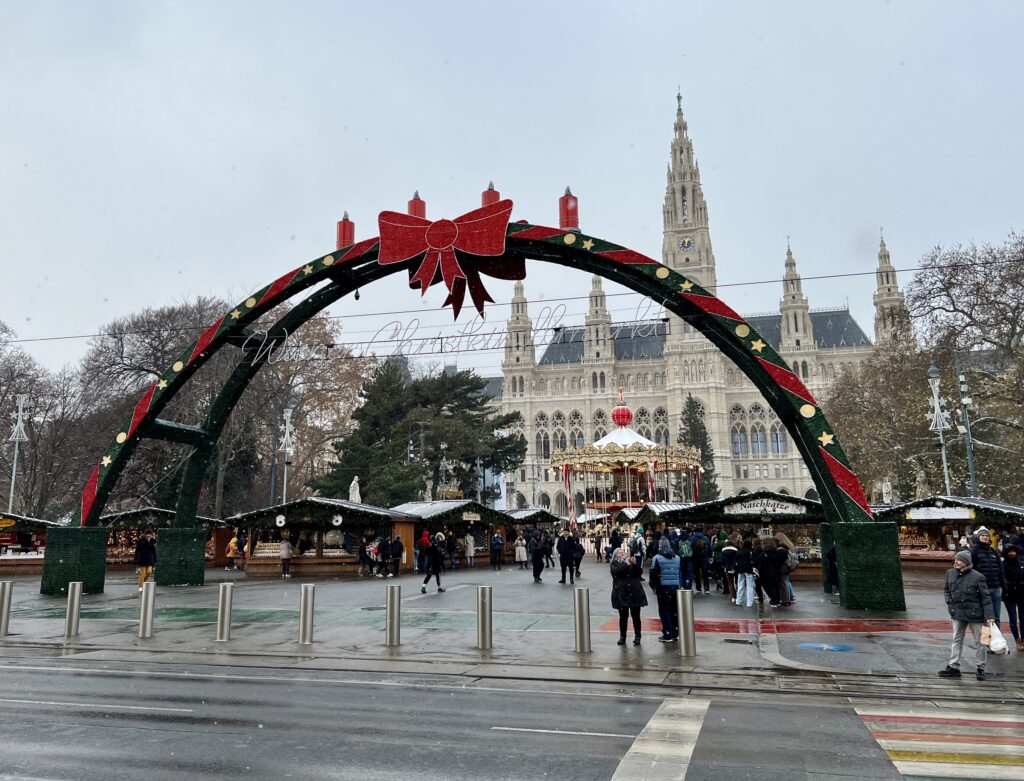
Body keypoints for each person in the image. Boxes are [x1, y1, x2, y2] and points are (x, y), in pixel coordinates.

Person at [939, 549, 996, 680]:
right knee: (956, 639)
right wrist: (949, 602)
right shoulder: (950, 573)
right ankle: (953, 666)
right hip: (957, 612)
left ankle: (980, 668)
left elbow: (986, 598)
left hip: (976, 614)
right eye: (955, 559)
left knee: (981, 642)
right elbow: (946, 589)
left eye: (959, 560)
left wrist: (990, 616)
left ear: (966, 562)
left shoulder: (978, 577)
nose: (956, 562)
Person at [610, 548, 647, 646]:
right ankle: (623, 636)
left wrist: (635, 564)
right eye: (619, 552)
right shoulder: (614, 563)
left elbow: (639, 573)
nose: (622, 553)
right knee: (623, 616)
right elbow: (617, 572)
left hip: (634, 591)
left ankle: (638, 636)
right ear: (615, 555)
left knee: (636, 616)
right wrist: (626, 563)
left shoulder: (630, 562)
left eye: (623, 552)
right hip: (622, 592)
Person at [650, 537, 682, 642]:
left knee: (664, 611)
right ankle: (675, 632)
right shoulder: (677, 557)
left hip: (663, 587)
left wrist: (654, 587)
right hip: (675, 586)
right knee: (674, 610)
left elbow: (653, 574)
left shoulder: (657, 558)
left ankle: (668, 633)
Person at [971, 527, 1004, 625]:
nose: (985, 537)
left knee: (996, 616)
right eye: (983, 535)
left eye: (987, 535)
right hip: (982, 589)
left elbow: (1000, 569)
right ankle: (986, 639)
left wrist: (1003, 585)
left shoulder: (994, 551)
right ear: (978, 537)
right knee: (985, 616)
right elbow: (971, 570)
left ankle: (996, 638)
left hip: (996, 588)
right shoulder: (974, 551)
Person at [1002, 544, 1024, 651]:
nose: (1012, 553)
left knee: (1023, 618)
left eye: (1014, 551)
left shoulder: (1020, 562)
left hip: (1021, 594)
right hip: (1009, 595)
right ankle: (1017, 640)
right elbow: (1002, 579)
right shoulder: (1003, 564)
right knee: (1013, 619)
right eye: (1010, 552)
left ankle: (1023, 639)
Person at [134, 528, 157, 592]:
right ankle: (141, 586)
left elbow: (153, 551)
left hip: (149, 559)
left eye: (149, 534)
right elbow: (138, 550)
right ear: (145, 534)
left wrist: (154, 559)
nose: (148, 535)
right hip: (142, 559)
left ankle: (142, 582)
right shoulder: (141, 541)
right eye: (147, 534)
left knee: (149, 572)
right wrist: (137, 559)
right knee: (142, 573)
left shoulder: (152, 541)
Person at [734, 538, 755, 607]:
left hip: (740, 570)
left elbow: (736, 560)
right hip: (749, 569)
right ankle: (749, 602)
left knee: (740, 585)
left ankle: (738, 601)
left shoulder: (739, 551)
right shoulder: (750, 552)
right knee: (750, 586)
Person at [721, 534, 740, 602]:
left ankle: (733, 596)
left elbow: (723, 560)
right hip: (735, 567)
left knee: (730, 582)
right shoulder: (736, 550)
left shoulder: (723, 550)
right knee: (737, 581)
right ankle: (738, 594)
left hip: (727, 567)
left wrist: (723, 566)